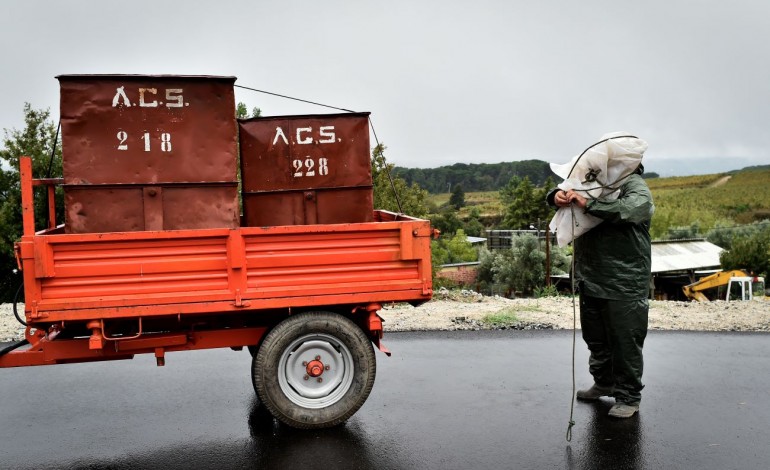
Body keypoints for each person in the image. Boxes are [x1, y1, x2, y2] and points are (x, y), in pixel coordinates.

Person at [547, 164, 654, 418]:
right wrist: (555, 196)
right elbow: (563, 191)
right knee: (596, 337)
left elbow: (633, 208)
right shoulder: (592, 183)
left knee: (625, 341)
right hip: (591, 276)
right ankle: (604, 382)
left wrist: (589, 205)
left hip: (623, 280)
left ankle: (628, 396)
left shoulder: (633, 184)